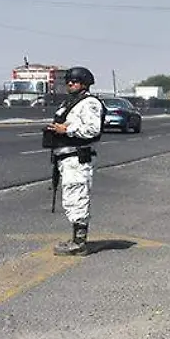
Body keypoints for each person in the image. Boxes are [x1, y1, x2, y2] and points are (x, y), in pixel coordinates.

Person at [46, 66, 104, 256]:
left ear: (85, 84)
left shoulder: (90, 103)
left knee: (77, 196)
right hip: (65, 157)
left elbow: (93, 130)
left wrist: (67, 130)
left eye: (75, 81)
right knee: (71, 198)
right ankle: (76, 239)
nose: (70, 84)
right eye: (68, 81)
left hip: (77, 157)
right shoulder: (70, 103)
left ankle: (79, 243)